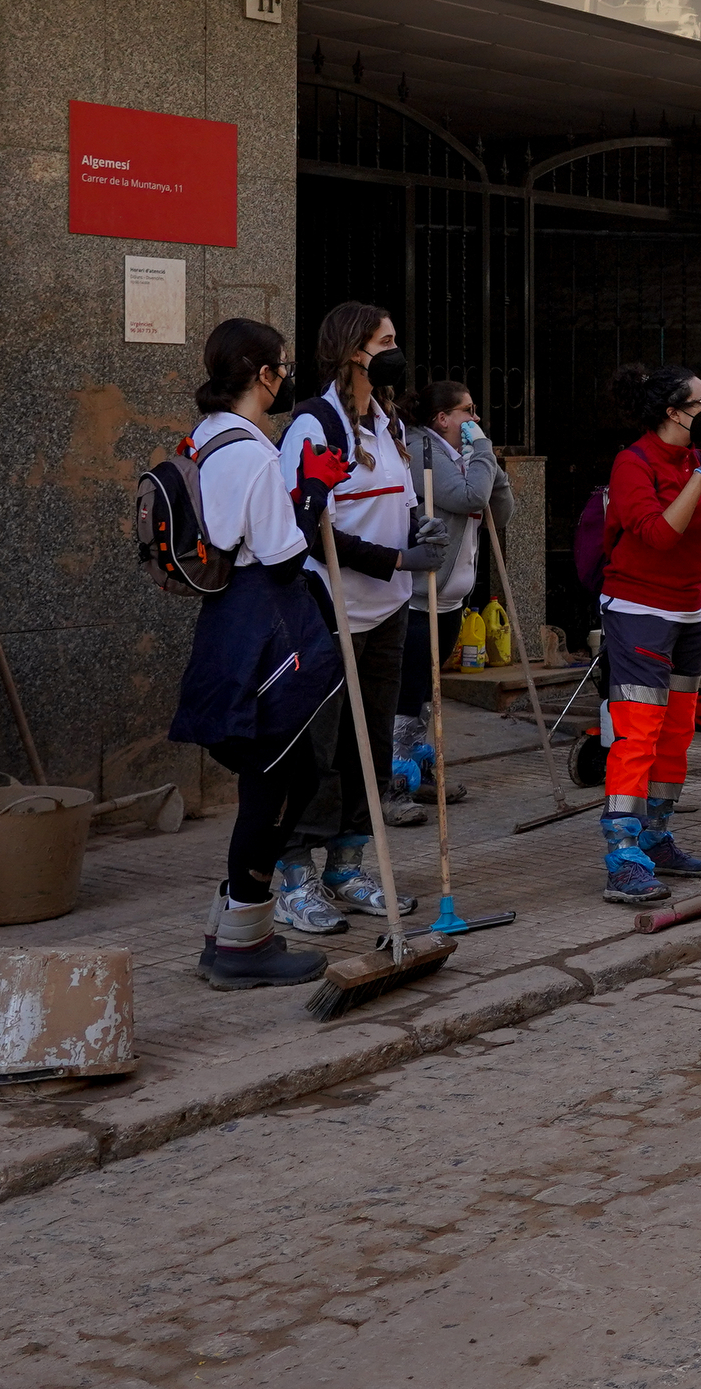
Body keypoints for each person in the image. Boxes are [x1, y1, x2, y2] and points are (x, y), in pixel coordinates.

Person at [164, 320, 338, 989]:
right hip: (265, 626)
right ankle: (244, 946)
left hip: (227, 624)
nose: (287, 376)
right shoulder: (256, 451)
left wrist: (295, 496)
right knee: (276, 782)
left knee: (268, 778)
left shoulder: (206, 437)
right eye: (283, 366)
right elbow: (285, 555)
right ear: (263, 375)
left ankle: (228, 930)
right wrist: (313, 495)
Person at [279, 301, 447, 930]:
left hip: (389, 611)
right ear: (355, 350)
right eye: (387, 340)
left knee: (372, 746)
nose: (396, 349)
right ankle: (293, 873)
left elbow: (397, 503)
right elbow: (307, 527)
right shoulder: (314, 425)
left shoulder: (390, 423)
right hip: (331, 610)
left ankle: (346, 866)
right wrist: (396, 557)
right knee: (317, 751)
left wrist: (417, 530)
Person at [593, 363, 701, 903]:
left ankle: (657, 837)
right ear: (672, 412)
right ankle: (621, 853)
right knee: (638, 731)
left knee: (677, 732)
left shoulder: (700, 459)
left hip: (692, 611)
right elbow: (658, 534)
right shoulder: (632, 464)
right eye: (700, 403)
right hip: (639, 610)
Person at [394, 380, 512, 809]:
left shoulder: (462, 454)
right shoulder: (422, 450)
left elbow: (499, 512)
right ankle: (395, 780)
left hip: (450, 600)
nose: (475, 420)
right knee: (407, 692)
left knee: (427, 690)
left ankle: (415, 766)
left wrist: (491, 469)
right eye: (468, 411)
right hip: (417, 599)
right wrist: (482, 455)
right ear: (442, 418)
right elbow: (466, 497)